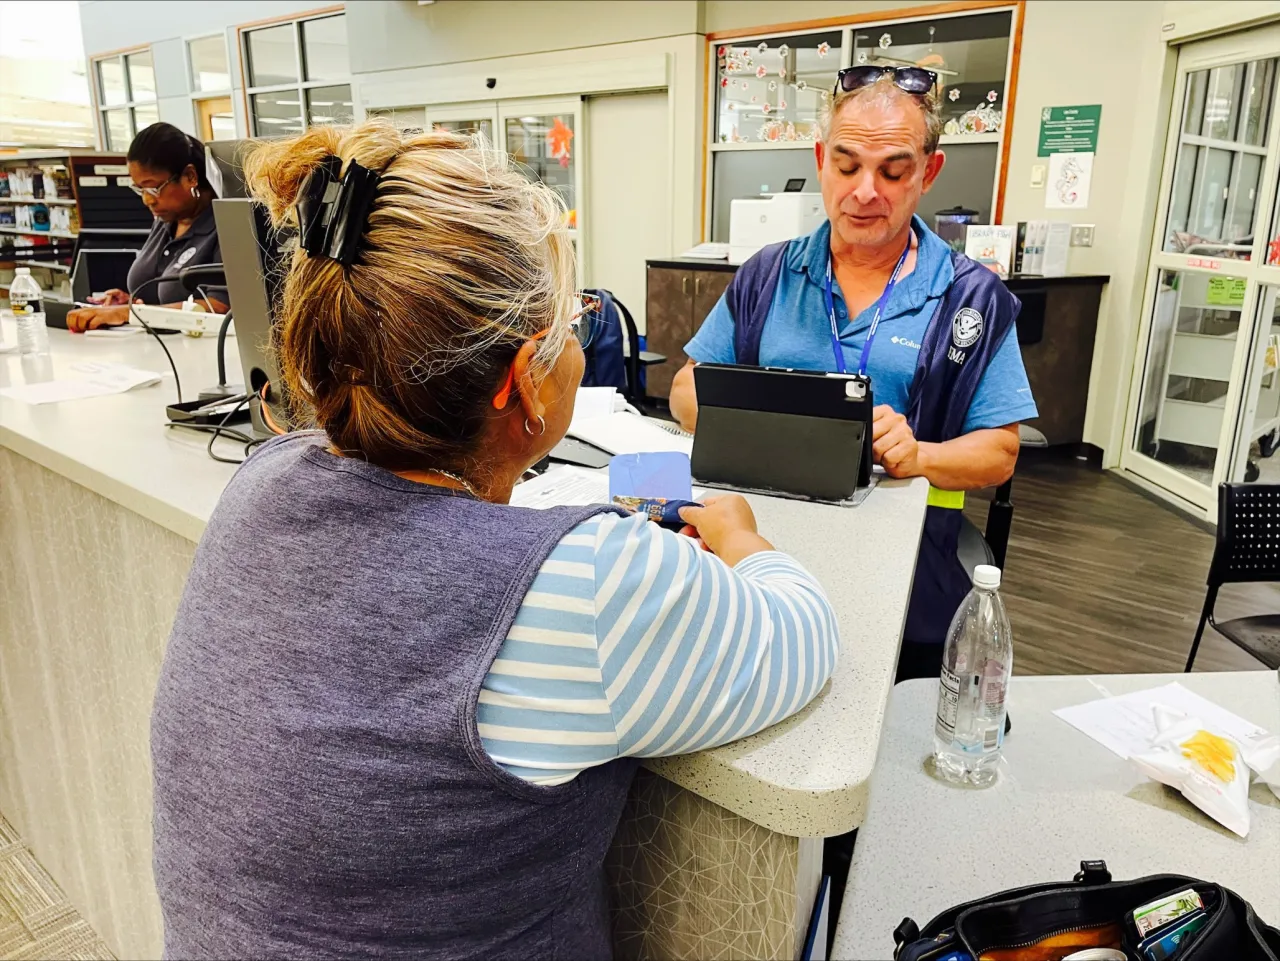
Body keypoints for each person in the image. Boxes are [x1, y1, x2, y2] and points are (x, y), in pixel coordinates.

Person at [150, 120, 840, 959]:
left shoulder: (258, 482)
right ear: (523, 382)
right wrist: (740, 536)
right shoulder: (586, 584)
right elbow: (804, 636)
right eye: (570, 324)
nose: (581, 345)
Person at [669, 65, 1037, 682]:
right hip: (757, 538)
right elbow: (685, 391)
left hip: (901, 554)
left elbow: (999, 452)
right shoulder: (768, 274)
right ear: (820, 160)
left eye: (892, 171)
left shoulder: (971, 297)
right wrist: (780, 427)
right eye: (846, 166)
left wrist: (918, 454)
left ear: (929, 171)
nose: (866, 191)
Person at [66, 122, 225, 332]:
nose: (147, 200)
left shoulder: (224, 225)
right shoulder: (164, 222)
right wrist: (130, 302)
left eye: (153, 188)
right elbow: (159, 297)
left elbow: (221, 307)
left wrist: (130, 314)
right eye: (140, 190)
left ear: (190, 176)